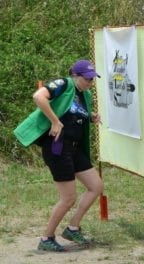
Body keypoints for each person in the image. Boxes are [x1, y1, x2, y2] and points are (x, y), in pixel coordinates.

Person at [14, 59, 104, 252]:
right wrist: (54, 121)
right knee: (68, 198)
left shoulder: (84, 94)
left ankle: (72, 228)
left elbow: (73, 113)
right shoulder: (63, 84)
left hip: (74, 148)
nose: (90, 82)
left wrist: (91, 116)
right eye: (87, 79)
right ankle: (46, 238)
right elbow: (39, 97)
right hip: (58, 147)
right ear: (76, 76)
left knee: (96, 186)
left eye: (92, 79)